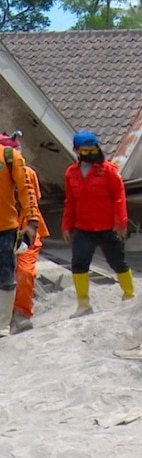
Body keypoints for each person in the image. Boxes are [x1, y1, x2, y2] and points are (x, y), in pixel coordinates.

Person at [62, 130, 134, 319]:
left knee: (117, 261)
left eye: (91, 149)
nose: (88, 153)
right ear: (77, 151)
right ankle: (83, 304)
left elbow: (119, 196)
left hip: (108, 226)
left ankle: (129, 295)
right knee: (79, 263)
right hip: (83, 227)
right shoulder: (71, 173)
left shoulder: (109, 170)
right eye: (83, 150)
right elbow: (70, 201)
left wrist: (121, 222)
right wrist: (66, 226)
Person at [0, 133, 49, 335]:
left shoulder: (18, 166)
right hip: (13, 226)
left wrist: (32, 224)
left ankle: (16, 317)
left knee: (21, 273)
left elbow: (30, 197)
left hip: (15, 228)